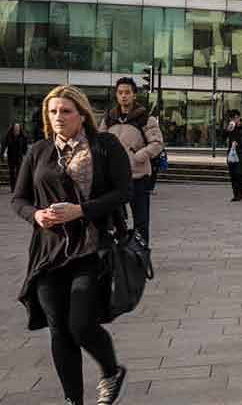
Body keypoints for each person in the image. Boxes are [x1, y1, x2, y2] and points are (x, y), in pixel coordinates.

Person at [12, 85, 132, 405]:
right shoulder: (38, 151)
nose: (58, 117)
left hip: (91, 251)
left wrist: (82, 210)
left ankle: (110, 371)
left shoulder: (104, 145)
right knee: (59, 331)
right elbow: (18, 199)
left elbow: (124, 192)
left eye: (65, 111)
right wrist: (35, 215)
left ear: (81, 114)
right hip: (48, 255)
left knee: (80, 325)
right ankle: (73, 400)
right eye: (52, 112)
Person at [102, 78, 163, 242]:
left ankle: (140, 257)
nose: (123, 96)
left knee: (141, 221)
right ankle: (118, 257)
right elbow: (99, 141)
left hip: (138, 177)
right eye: (120, 93)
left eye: (127, 92)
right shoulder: (109, 118)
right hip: (114, 179)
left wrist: (140, 155)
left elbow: (157, 143)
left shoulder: (145, 118)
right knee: (114, 221)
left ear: (134, 95)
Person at [222, 111, 242, 202]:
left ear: (238, 117)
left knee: (238, 173)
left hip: (241, 153)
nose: (233, 120)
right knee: (233, 174)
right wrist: (227, 130)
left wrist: (239, 142)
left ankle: (239, 194)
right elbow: (222, 137)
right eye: (231, 118)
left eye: (235, 118)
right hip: (231, 153)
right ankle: (235, 194)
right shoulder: (231, 127)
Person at [4, 122, 28, 187]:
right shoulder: (9, 136)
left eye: (18, 128)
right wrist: (3, 154)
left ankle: (17, 186)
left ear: (20, 129)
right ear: (13, 128)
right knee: (11, 172)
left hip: (19, 157)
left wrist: (26, 155)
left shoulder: (23, 137)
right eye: (15, 128)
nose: (17, 129)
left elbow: (25, 148)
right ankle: (12, 187)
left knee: (19, 172)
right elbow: (5, 145)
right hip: (11, 157)